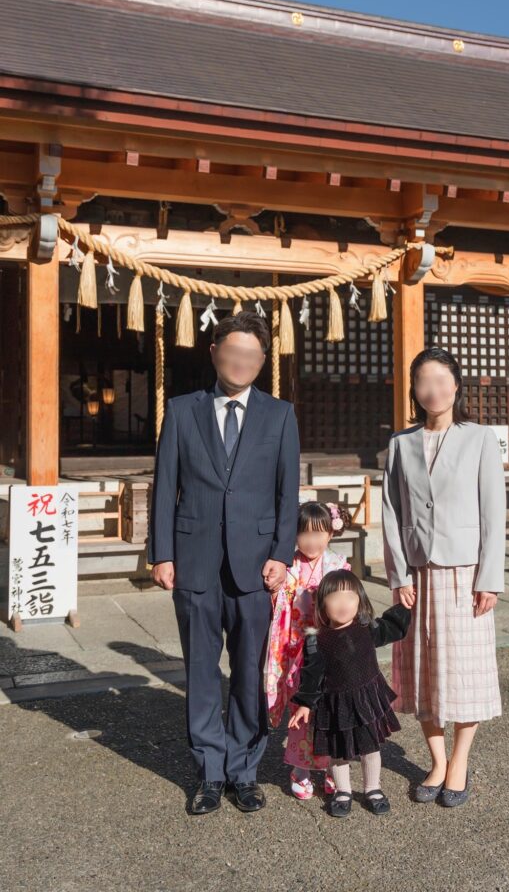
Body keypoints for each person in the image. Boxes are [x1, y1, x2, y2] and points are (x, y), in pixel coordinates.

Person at [148, 310, 300, 816]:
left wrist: (281, 554)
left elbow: (288, 493)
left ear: (262, 360)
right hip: (193, 560)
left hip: (255, 565)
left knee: (251, 669)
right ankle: (210, 772)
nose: (241, 362)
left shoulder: (279, 415)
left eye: (251, 355)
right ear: (215, 353)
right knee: (200, 670)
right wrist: (162, 552)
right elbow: (165, 487)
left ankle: (244, 770)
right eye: (233, 352)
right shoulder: (182, 410)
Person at [382, 346, 506, 808]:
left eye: (440, 380)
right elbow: (391, 512)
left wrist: (490, 578)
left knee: (465, 672)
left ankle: (459, 761)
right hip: (417, 574)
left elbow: (493, 511)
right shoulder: (401, 443)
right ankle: (436, 761)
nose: (432, 390)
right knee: (422, 672)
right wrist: (398, 575)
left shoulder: (479, 439)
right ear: (414, 390)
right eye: (423, 382)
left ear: (455, 385)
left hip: (465, 574)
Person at [288, 570, 411, 817]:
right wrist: (305, 704)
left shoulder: (367, 628)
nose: (343, 604)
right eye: (334, 598)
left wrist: (406, 605)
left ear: (360, 601)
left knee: (370, 748)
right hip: (335, 704)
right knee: (338, 752)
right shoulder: (317, 641)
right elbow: (311, 676)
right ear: (322, 605)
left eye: (349, 597)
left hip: (366, 700)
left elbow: (393, 627)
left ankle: (373, 788)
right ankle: (343, 791)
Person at [265, 500, 352, 801]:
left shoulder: (338, 565)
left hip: (329, 649)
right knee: (300, 711)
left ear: (331, 533)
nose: (311, 541)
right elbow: (278, 604)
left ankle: (331, 768)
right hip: (296, 650)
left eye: (319, 533)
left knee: (331, 710)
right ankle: (300, 769)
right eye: (304, 534)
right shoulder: (288, 566)